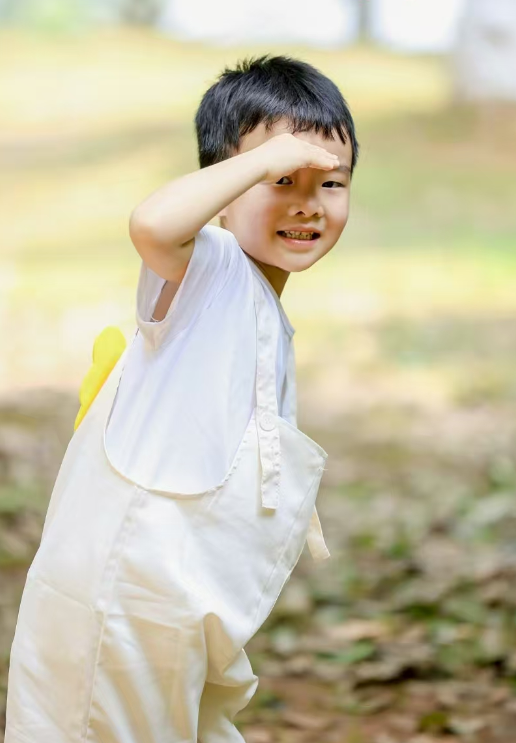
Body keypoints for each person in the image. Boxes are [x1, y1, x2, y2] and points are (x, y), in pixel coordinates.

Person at [4, 53, 359, 743]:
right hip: (125, 594)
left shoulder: (263, 307)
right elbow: (152, 224)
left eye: (331, 182)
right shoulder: (208, 266)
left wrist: (270, 165)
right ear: (222, 189)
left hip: (185, 607)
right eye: (279, 179)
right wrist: (262, 160)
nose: (307, 202)